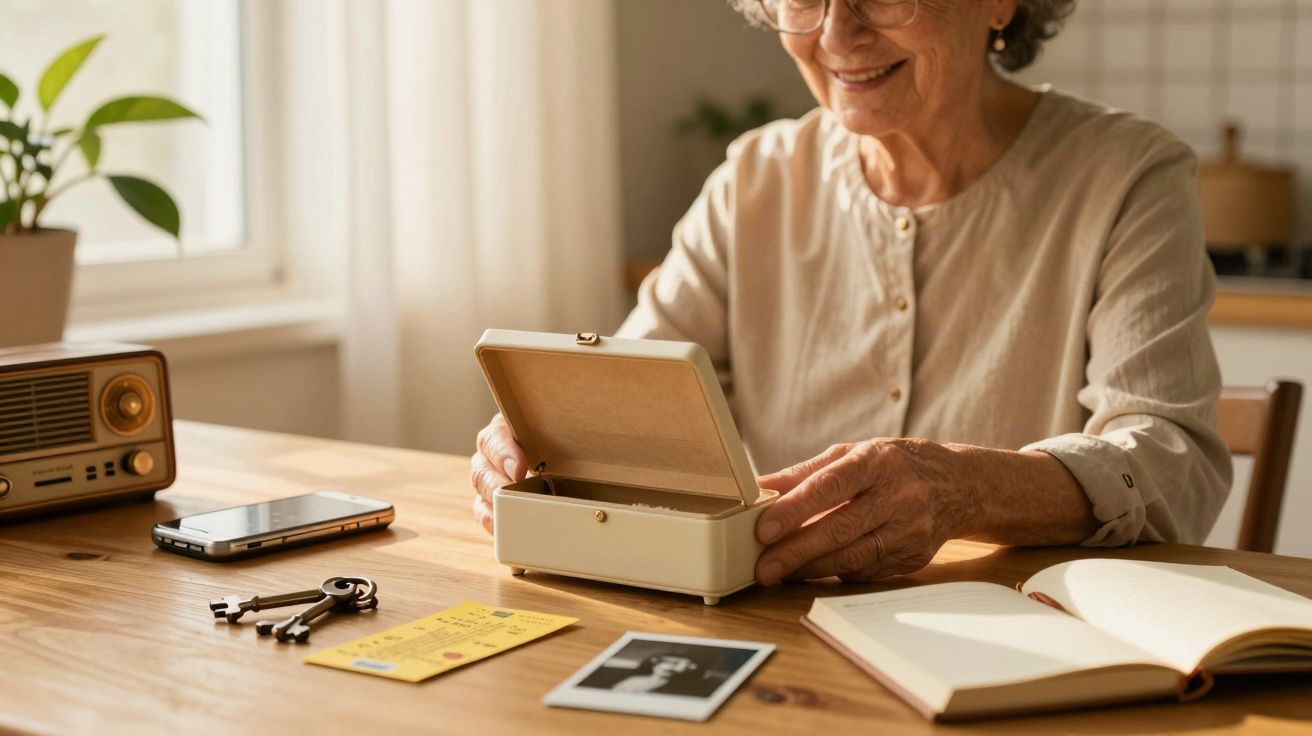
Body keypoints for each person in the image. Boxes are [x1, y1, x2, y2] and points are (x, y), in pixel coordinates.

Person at [470, 0, 1232, 587]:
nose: (836, 35)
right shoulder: (755, 177)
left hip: (1021, 652)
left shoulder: (1128, 177)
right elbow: (631, 392)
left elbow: (1174, 462)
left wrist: (967, 488)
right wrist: (549, 435)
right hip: (774, 648)